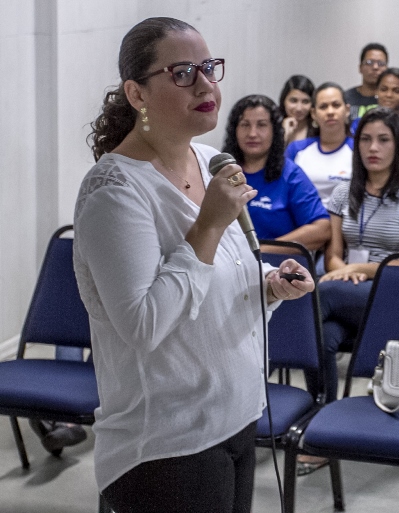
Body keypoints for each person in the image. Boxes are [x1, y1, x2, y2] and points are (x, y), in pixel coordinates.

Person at [76, 17, 314, 511]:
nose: (207, 85)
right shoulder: (114, 191)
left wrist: (269, 288)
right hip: (167, 445)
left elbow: (209, 290)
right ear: (137, 94)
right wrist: (207, 226)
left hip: (236, 417)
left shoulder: (209, 161)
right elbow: (144, 325)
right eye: (183, 72)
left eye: (209, 68)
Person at [319, 107, 399, 404]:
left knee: (320, 293)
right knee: (323, 335)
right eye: (366, 140)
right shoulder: (342, 193)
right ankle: (321, 413)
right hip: (347, 289)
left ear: (397, 146)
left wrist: (357, 269)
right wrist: (344, 269)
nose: (373, 148)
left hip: (394, 292)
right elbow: (333, 255)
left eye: (383, 140)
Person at [222, 94, 331, 251]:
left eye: (261, 125)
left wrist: (262, 250)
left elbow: (322, 229)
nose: (252, 133)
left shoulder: (291, 174)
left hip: (276, 267)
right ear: (234, 130)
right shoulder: (221, 173)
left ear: (275, 131)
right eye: (245, 125)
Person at [286, 83, 354, 209]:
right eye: (323, 107)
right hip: (303, 223)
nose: (330, 112)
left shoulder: (359, 150)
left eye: (336, 105)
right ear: (313, 114)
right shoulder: (296, 149)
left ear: (347, 110)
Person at [343, 42, 399, 120]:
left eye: (381, 63)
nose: (375, 67)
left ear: (387, 68)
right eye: (369, 62)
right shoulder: (346, 98)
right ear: (360, 68)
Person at [351, 68, 399, 150]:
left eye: (396, 91)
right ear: (376, 91)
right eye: (384, 89)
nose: (389, 95)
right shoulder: (359, 124)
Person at [279, 75, 315, 145]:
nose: (299, 108)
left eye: (305, 102)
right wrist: (283, 136)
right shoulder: (272, 127)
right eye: (293, 101)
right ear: (284, 101)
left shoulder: (319, 130)